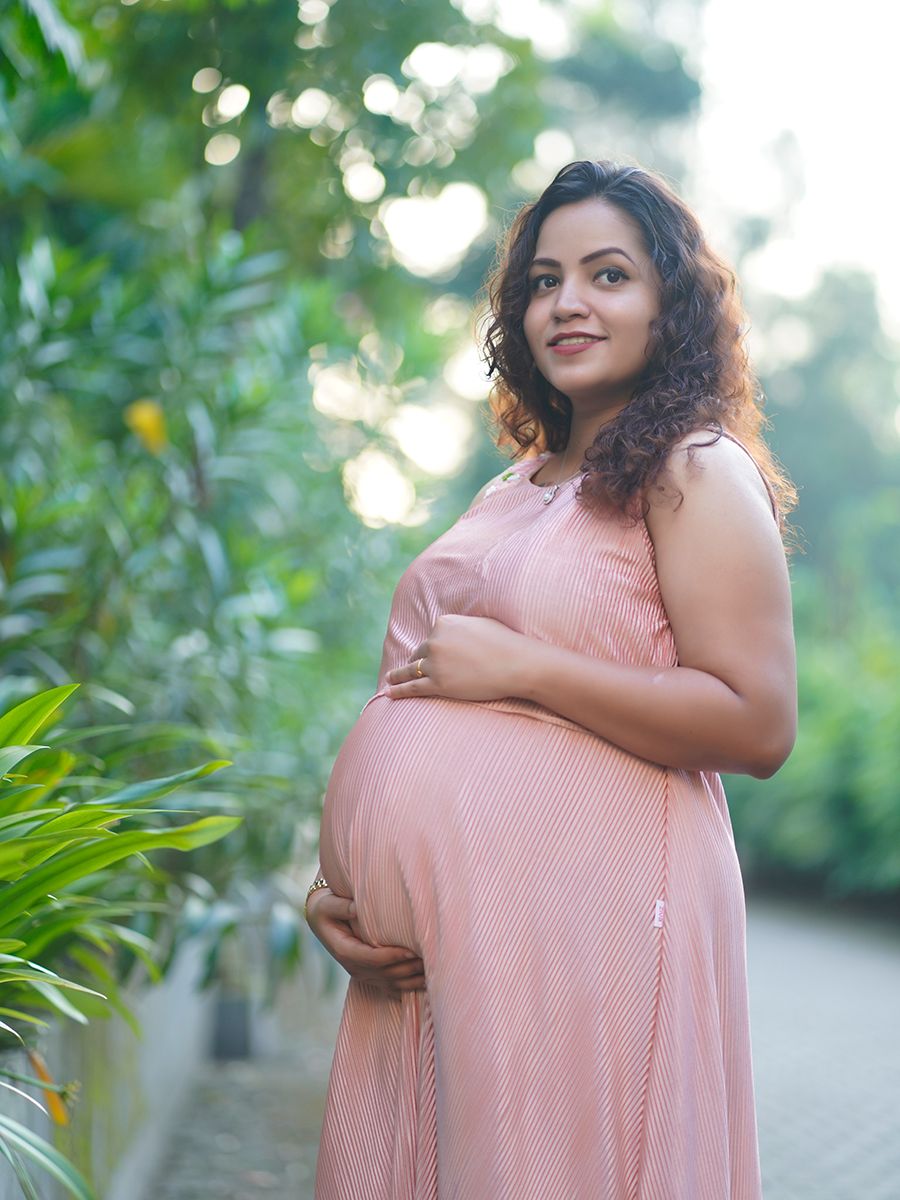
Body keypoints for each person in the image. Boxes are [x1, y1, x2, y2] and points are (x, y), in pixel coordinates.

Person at [305, 158, 797, 1200]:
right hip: (434, 967)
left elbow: (756, 722)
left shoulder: (695, 471)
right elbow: (412, 697)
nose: (566, 302)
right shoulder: (511, 484)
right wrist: (340, 891)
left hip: (592, 934)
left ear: (671, 306)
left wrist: (526, 668)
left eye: (608, 275)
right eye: (543, 281)